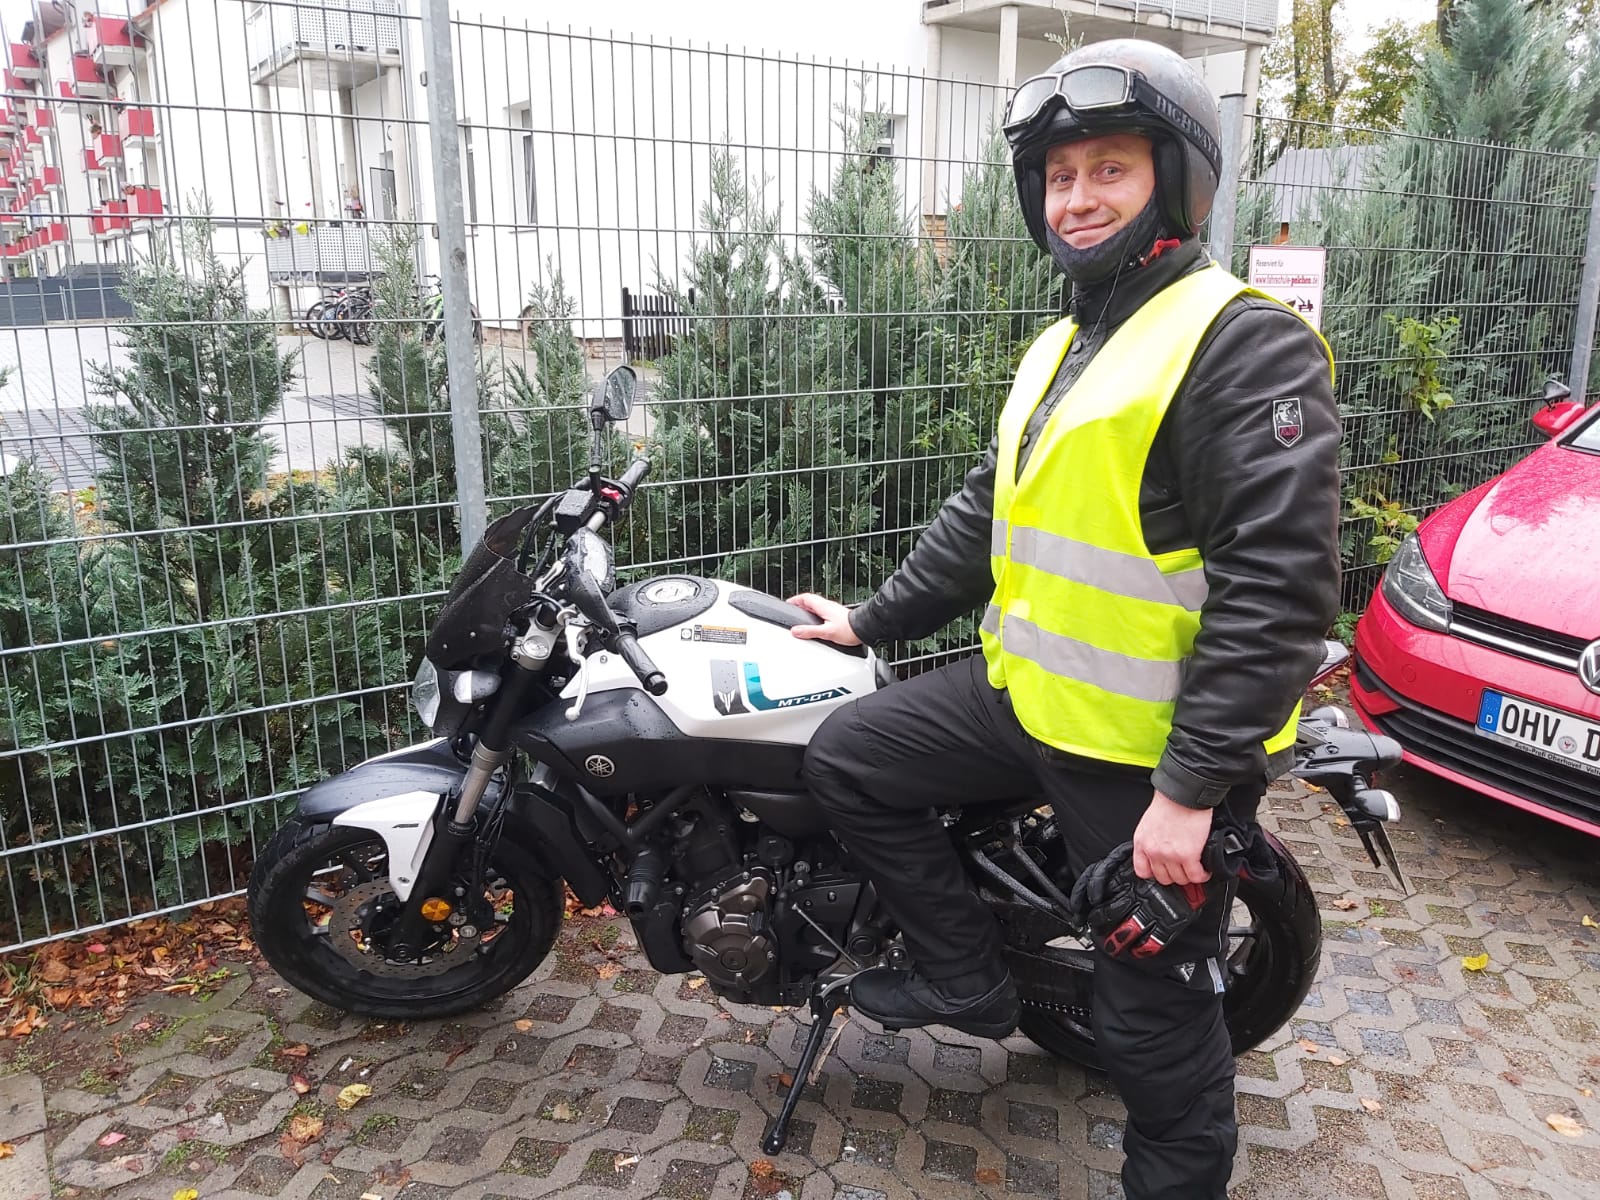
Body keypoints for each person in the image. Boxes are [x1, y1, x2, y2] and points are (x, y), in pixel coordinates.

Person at [788, 38, 1340, 1200]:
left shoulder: (1239, 342)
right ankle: (964, 977)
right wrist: (872, 624)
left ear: (1176, 183)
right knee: (846, 759)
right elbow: (988, 513)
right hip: (1026, 698)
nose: (1076, 197)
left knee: (1151, 1018)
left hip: (1147, 754)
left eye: (1109, 170)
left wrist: (1190, 792)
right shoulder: (1065, 343)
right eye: (1058, 176)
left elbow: (1278, 590)